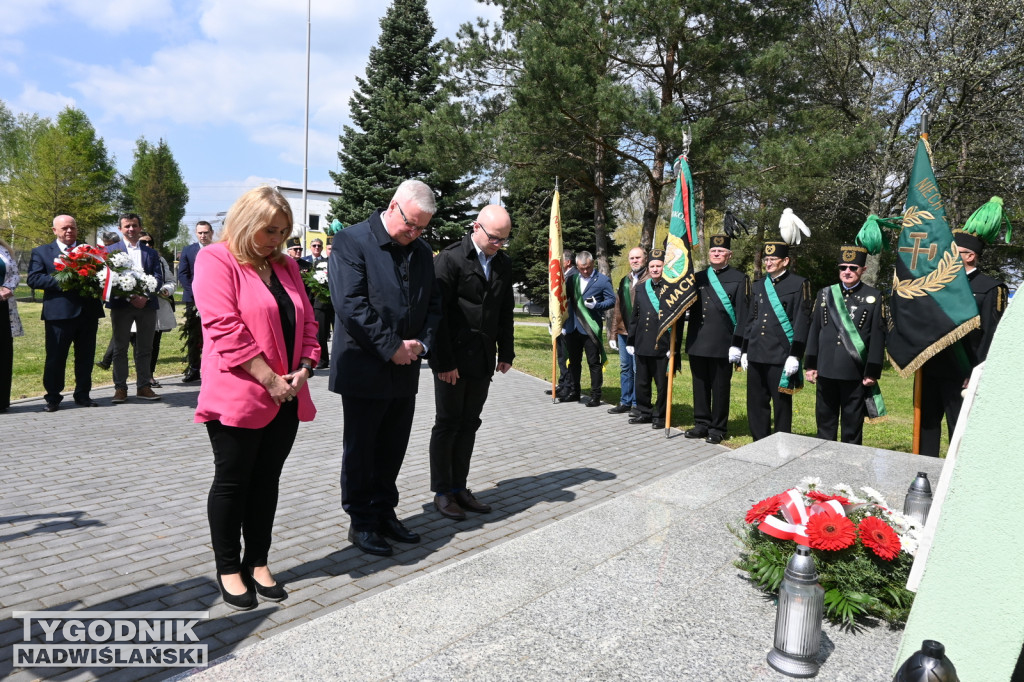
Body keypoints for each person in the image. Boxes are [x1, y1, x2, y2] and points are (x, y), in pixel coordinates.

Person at [193, 186, 320, 610]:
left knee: (267, 482)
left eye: (283, 232)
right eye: (269, 230)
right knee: (233, 482)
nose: (276, 240)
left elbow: (308, 323)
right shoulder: (216, 259)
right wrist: (270, 380)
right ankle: (229, 567)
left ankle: (258, 560)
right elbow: (224, 327)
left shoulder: (285, 265)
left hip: (287, 391)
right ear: (247, 224)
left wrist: (305, 367)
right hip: (240, 395)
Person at [328, 179, 441, 557]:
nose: (415, 232)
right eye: (411, 223)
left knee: (393, 447)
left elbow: (433, 306)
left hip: (405, 367)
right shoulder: (352, 241)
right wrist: (391, 346)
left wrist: (421, 344)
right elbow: (351, 305)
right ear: (394, 206)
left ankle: (384, 511)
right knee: (362, 450)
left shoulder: (422, 251)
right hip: (365, 367)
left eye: (422, 227)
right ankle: (361, 521)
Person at [429, 205, 515, 520]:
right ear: (475, 227)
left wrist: (506, 351)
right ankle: (442, 492)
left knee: (469, 424)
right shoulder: (450, 259)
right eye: (494, 238)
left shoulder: (503, 263)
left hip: (482, 358)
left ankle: (459, 487)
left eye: (505, 240)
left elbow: (505, 311)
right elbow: (436, 316)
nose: (499, 244)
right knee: (448, 424)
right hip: (451, 360)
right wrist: (443, 362)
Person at [915, 230, 1009, 457]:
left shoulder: (990, 288)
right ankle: (925, 471)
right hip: (931, 366)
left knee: (959, 427)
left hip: (963, 371)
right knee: (927, 425)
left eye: (954, 253)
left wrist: (977, 372)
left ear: (970, 256)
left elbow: (991, 335)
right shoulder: (937, 284)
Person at [803, 245, 886, 444]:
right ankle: (823, 455)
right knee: (825, 420)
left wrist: (872, 370)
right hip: (826, 368)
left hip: (853, 370)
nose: (847, 272)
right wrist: (811, 365)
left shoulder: (873, 297)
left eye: (853, 267)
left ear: (863, 270)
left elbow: (877, 337)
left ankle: (850, 462)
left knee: (852, 422)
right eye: (843, 267)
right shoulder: (825, 294)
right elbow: (815, 331)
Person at [27, 215, 105, 412]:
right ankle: (53, 397)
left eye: (72, 228)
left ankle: (83, 394)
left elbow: (104, 275)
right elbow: (34, 279)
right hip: (58, 315)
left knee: (86, 357)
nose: (69, 231)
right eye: (64, 228)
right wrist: (67, 280)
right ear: (55, 230)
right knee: (55, 358)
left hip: (88, 313)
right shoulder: (42, 252)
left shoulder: (90, 252)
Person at [741, 240, 811, 441]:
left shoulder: (799, 284)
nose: (768, 263)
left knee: (781, 403)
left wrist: (795, 355)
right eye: (766, 259)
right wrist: (745, 349)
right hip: (756, 351)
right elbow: (751, 319)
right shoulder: (758, 285)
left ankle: (782, 443)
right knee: (756, 402)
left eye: (773, 259)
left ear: (785, 261)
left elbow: (801, 321)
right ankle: (759, 441)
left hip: (781, 353)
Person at [684, 234, 750, 444]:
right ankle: (701, 423)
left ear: (728, 255)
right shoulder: (698, 277)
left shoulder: (740, 279)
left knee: (720, 387)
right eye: (713, 251)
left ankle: (718, 427)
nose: (716, 254)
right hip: (698, 341)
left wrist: (738, 344)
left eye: (721, 251)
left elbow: (743, 315)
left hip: (723, 343)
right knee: (699, 385)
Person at [106, 214, 164, 403]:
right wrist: (130, 297)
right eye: (127, 226)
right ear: (120, 229)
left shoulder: (151, 253)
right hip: (122, 305)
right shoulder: (110, 251)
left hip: (146, 306)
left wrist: (145, 297)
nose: (131, 229)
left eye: (134, 226)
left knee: (145, 348)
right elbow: (107, 278)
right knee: (120, 348)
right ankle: (120, 389)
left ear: (140, 228)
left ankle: (143, 387)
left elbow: (158, 277)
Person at [559, 250, 615, 407]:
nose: (585, 271)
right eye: (582, 268)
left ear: (593, 264)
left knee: (593, 363)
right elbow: (565, 299)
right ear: (577, 266)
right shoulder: (573, 279)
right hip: (572, 327)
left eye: (588, 268)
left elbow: (611, 300)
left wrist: (597, 305)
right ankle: (574, 391)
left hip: (590, 327)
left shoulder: (602, 280)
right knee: (573, 362)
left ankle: (595, 395)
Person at [627, 249, 674, 429]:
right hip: (642, 341)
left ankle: (660, 416)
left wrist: (673, 345)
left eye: (658, 266)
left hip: (661, 343)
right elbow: (635, 316)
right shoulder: (641, 287)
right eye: (652, 266)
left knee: (661, 384)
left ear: (664, 268)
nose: (655, 269)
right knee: (642, 381)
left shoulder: (672, 289)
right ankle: (644, 412)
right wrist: (631, 340)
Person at [607, 247, 647, 416]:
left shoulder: (650, 279)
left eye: (638, 257)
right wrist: (613, 333)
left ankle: (638, 404)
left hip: (642, 333)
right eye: (632, 258)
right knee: (625, 367)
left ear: (645, 258)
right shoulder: (625, 280)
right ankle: (625, 401)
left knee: (639, 369)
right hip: (624, 333)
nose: (635, 260)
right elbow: (617, 309)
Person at [178, 221, 214, 383]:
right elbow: (183, 275)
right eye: (200, 233)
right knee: (194, 334)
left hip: (215, 299)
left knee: (214, 334)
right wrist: (196, 293)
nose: (203, 235)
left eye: (206, 232)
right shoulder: (188, 250)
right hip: (193, 300)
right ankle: (194, 369)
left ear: (211, 233)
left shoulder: (218, 250)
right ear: (196, 233)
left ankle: (213, 369)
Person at [546, 249, 577, 398]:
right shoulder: (563, 276)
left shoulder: (573, 276)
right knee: (560, 356)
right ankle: (562, 383)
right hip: (559, 324)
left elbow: (571, 303)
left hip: (568, 324)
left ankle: (568, 387)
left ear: (568, 262)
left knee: (566, 357)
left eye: (560, 260)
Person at [0, 236, 24, 413]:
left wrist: (8, 288)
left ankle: (2, 401)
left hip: (3, 305)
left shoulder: (5, 250)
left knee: (4, 353)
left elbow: (15, 274)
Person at [302, 238, 332, 369]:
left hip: (333, 303)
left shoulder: (336, 262)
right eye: (314, 245)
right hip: (318, 303)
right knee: (321, 334)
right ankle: (322, 359)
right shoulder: (311, 263)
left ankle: (336, 359)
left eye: (319, 246)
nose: (316, 248)